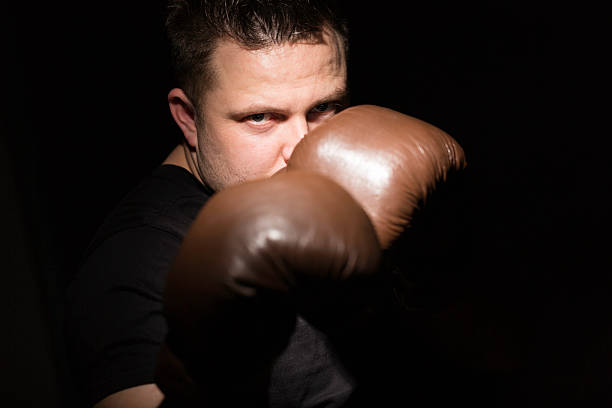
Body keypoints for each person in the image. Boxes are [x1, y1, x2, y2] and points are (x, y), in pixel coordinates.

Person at [65, 1, 466, 407]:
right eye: (260, 117)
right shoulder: (134, 263)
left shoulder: (359, 185)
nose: (301, 146)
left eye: (323, 108)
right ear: (188, 117)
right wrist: (211, 375)